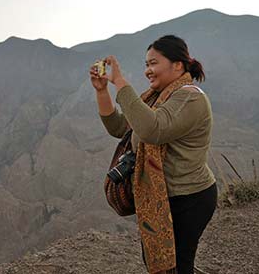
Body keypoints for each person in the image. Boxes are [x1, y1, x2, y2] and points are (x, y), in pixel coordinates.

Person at [89, 35, 217, 274]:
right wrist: (102, 90)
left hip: (190, 198)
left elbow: (152, 130)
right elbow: (119, 127)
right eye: (146, 64)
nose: (148, 70)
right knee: (159, 263)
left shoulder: (190, 97)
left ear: (177, 65)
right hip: (163, 198)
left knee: (177, 266)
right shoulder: (157, 97)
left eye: (153, 63)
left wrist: (119, 81)